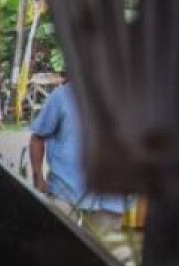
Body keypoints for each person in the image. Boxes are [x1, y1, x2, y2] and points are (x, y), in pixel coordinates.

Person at [28, 79, 125, 234]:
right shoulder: (62, 96)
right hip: (64, 192)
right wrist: (38, 177)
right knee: (57, 245)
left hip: (110, 199)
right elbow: (38, 137)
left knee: (98, 248)